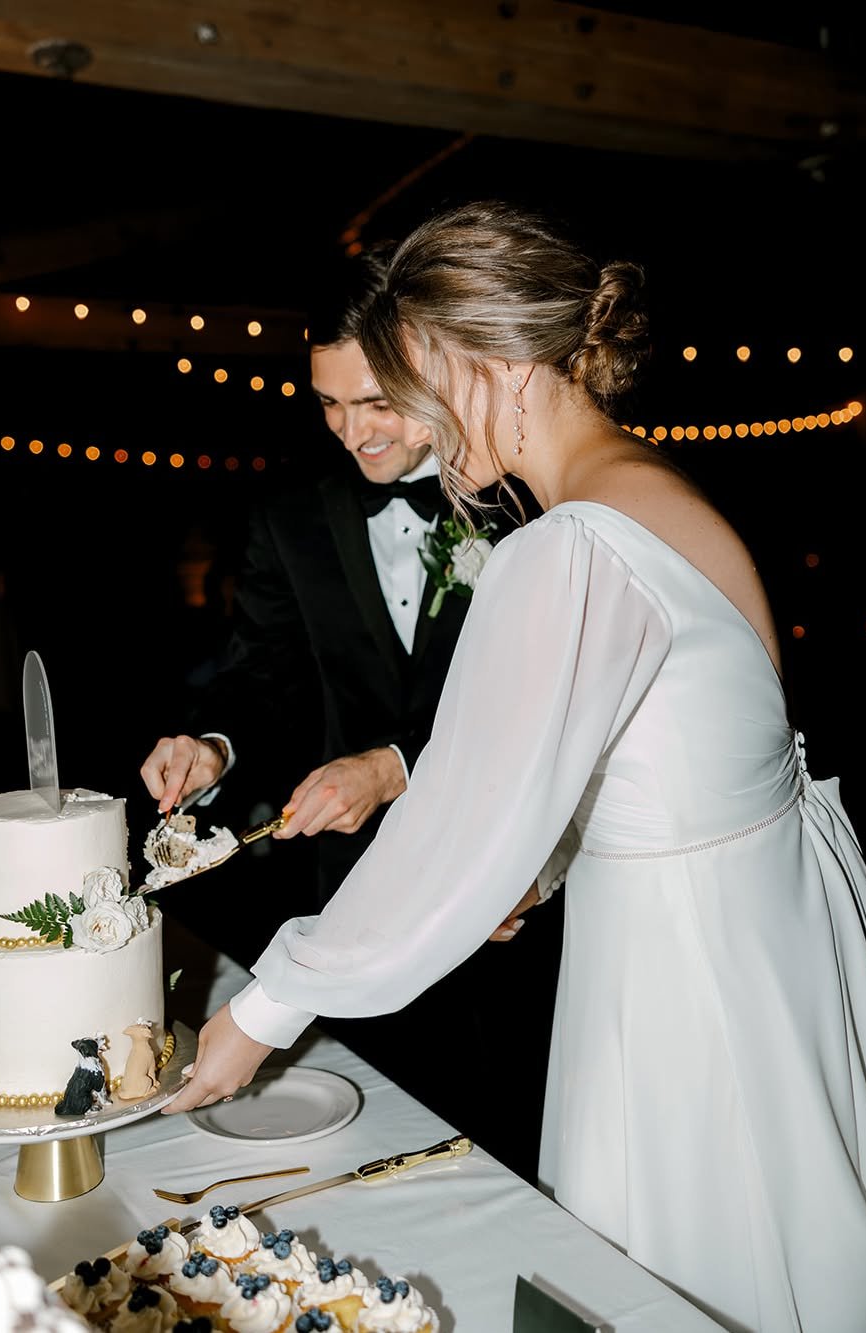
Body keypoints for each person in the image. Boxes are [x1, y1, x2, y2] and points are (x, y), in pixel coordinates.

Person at [160, 201, 866, 1333]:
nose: (408, 421)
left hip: (683, 994)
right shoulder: (655, 496)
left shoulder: (572, 545)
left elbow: (457, 819)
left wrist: (265, 1005)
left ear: (496, 365)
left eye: (416, 386)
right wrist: (543, 868)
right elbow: (669, 764)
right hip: (768, 951)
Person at [142, 245, 555, 1182]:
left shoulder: (528, 500)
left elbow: (544, 701)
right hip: (358, 889)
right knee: (382, 1149)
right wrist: (211, 743)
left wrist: (393, 763)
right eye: (329, 404)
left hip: (520, 886)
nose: (351, 431)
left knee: (521, 1140)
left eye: (377, 401)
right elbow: (261, 674)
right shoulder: (291, 519)